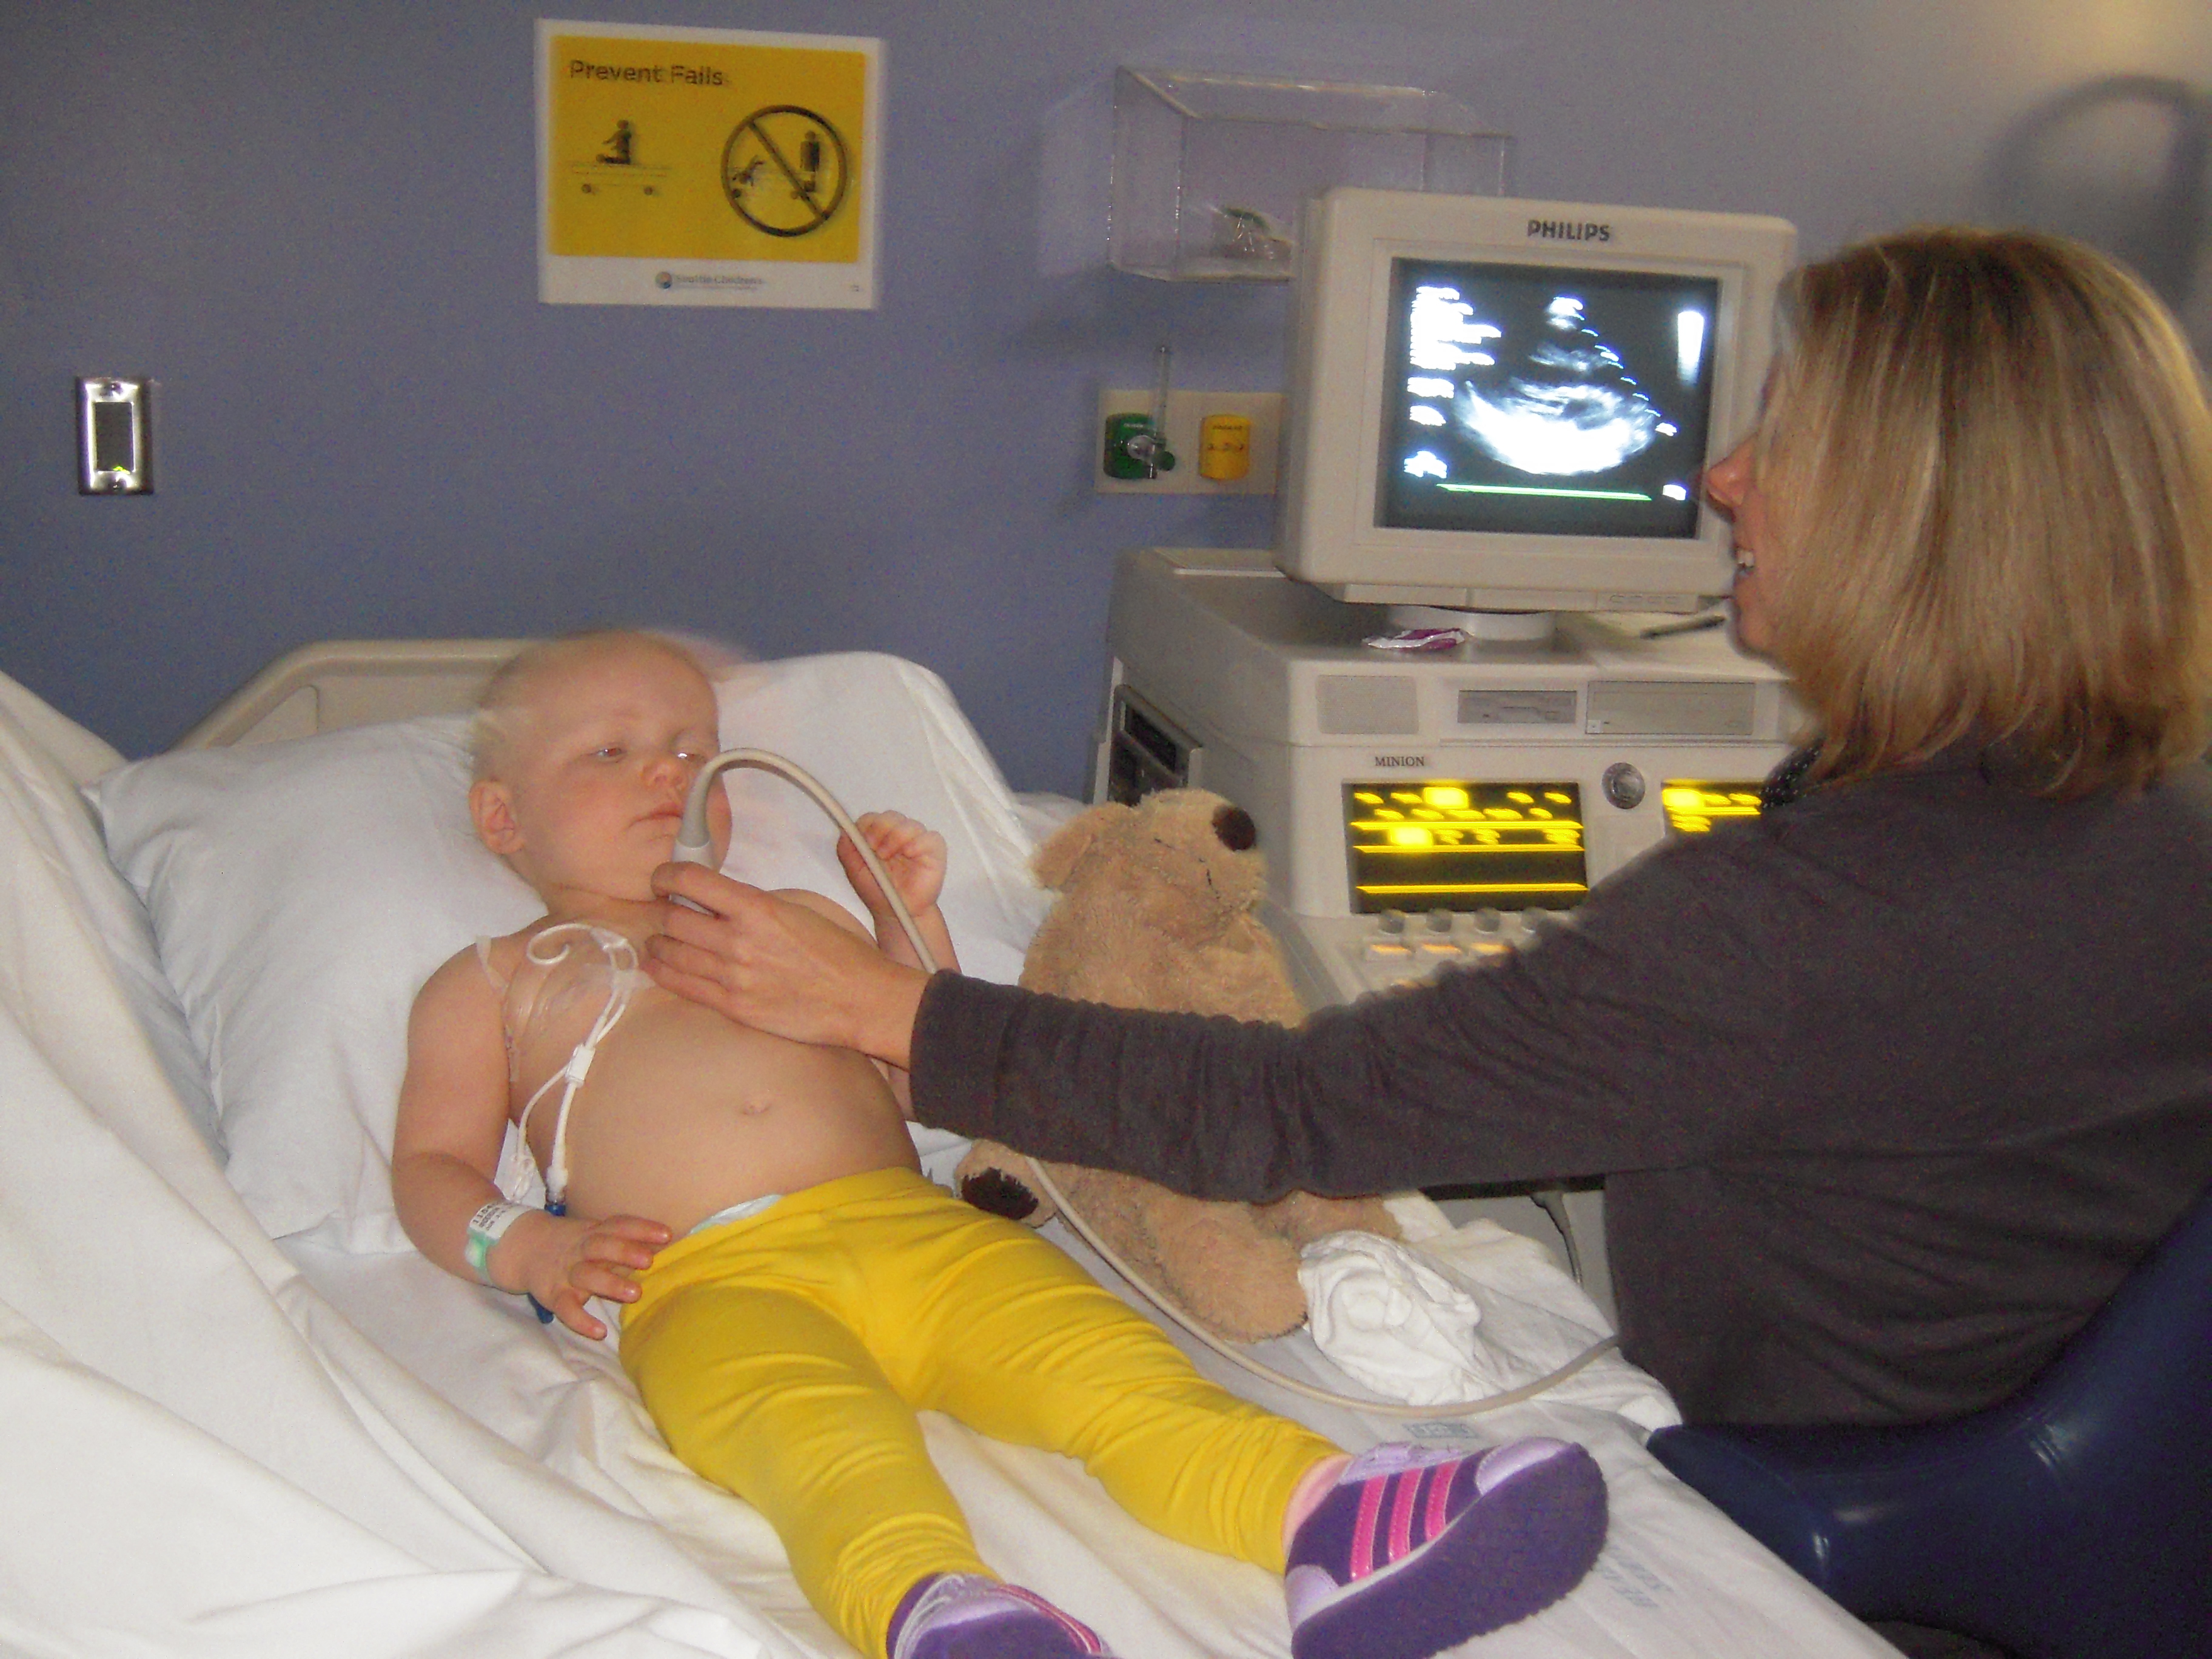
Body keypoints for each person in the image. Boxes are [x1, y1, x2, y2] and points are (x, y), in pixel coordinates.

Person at [645, 227, 2212, 1429]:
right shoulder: (2147, 828)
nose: (1725, 478)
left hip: (1869, 1495)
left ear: (1916, 522)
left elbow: (1296, 1110)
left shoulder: (1800, 924)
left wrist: (890, 1009)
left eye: (1786, 441)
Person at [390, 630, 1607, 1659]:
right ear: (502, 817)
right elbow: (430, 1169)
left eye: (688, 747)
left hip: (914, 1229)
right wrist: (527, 1249)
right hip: (702, 1276)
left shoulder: (795, 918)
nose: (667, 770)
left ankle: (1326, 1515)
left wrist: (902, 919)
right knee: (815, 1444)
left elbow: (923, 1062)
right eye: (611, 752)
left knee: (1105, 1370)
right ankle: (940, 1611)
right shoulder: (493, 982)